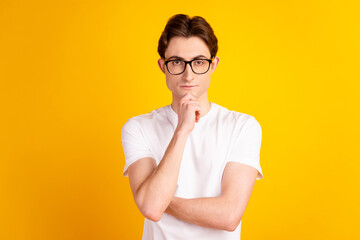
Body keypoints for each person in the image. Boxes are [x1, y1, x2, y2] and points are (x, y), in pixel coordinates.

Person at [121, 14, 263, 240]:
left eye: (198, 62)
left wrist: (160, 199)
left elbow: (229, 216)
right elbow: (150, 207)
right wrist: (182, 130)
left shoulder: (243, 127)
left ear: (213, 65)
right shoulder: (138, 128)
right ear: (162, 66)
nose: (188, 74)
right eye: (177, 61)